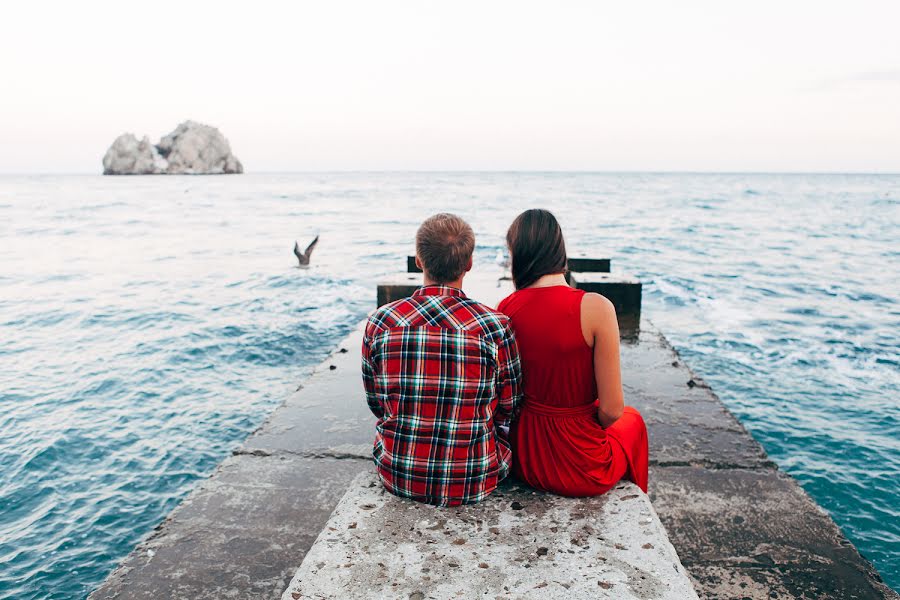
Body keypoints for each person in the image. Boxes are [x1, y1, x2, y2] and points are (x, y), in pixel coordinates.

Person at [362, 213, 523, 507]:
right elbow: (509, 408)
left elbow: (377, 403)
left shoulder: (381, 322)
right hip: (475, 477)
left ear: (419, 260)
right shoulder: (495, 326)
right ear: (469, 264)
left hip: (397, 472)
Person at [497, 208, 649, 495]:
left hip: (526, 455)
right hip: (580, 463)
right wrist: (576, 417)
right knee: (633, 422)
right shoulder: (597, 308)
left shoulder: (505, 308)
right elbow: (612, 410)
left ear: (518, 254)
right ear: (559, 250)